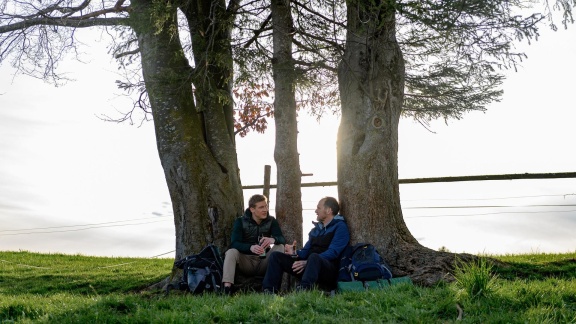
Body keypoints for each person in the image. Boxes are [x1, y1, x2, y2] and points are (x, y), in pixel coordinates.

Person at [261, 196, 350, 293]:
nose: (316, 211)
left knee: (314, 257)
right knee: (276, 256)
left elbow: (333, 252)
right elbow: (305, 251)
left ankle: (304, 290)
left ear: (328, 210)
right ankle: (269, 291)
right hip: (308, 266)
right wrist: (294, 252)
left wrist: (308, 261)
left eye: (319, 208)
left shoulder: (340, 227)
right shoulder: (315, 230)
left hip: (328, 270)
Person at [222, 194, 286, 295]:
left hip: (264, 261)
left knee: (280, 247)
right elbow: (234, 243)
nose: (265, 209)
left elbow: (282, 239)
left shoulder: (271, 221)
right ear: (252, 209)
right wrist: (250, 247)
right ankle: (227, 289)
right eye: (261, 207)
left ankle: (271, 289)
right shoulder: (240, 221)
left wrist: (272, 239)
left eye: (266, 206)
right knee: (231, 252)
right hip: (246, 261)